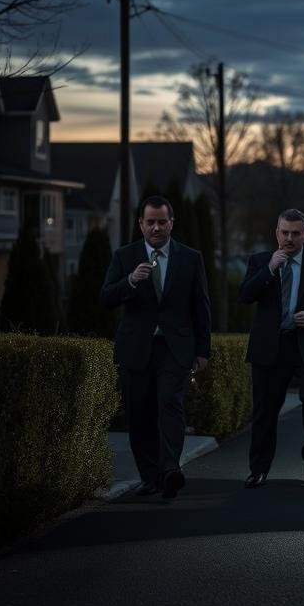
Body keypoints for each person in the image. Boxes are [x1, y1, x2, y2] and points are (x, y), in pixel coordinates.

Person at [100, 195, 211, 500]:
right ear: (141, 224)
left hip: (175, 349)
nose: (157, 227)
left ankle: (170, 469)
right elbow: (106, 297)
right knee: (140, 414)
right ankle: (150, 478)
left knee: (169, 404)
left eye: (162, 221)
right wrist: (131, 281)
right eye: (151, 222)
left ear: (171, 223)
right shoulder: (125, 256)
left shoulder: (190, 258)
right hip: (136, 348)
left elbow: (201, 307)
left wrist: (202, 351)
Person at [240, 209, 304, 487]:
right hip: (270, 348)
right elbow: (245, 295)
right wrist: (270, 268)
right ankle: (259, 468)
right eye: (284, 232)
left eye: (295, 233)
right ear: (276, 233)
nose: (289, 238)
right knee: (265, 409)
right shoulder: (260, 261)